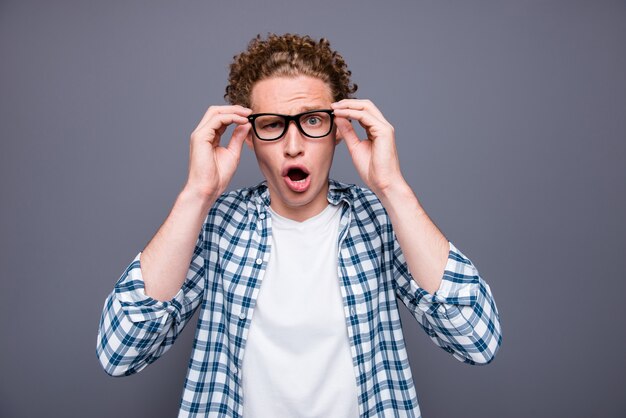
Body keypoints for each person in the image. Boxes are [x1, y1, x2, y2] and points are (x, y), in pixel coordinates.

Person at [97, 33, 502, 417]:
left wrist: (392, 187)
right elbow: (121, 351)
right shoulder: (218, 224)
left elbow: (475, 338)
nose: (293, 145)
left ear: (339, 131)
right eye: (273, 124)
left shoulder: (379, 220)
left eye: (311, 121)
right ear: (250, 136)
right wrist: (196, 195)